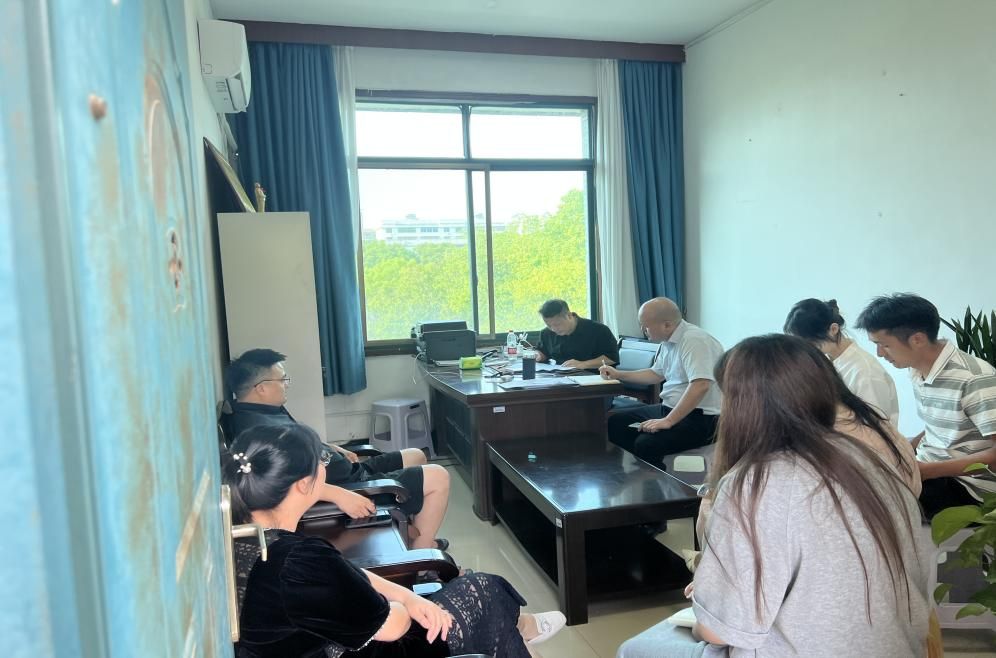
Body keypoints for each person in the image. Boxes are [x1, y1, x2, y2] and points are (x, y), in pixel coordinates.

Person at [617, 335, 930, 657]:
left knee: (635, 648)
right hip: (898, 647)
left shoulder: (756, 483)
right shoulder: (868, 456)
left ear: (741, 405)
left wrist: (708, 604)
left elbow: (716, 632)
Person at [225, 423, 566, 658]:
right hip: (362, 645)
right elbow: (393, 625)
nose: (324, 469)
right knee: (483, 593)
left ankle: (521, 630)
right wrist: (406, 606)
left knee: (485, 604)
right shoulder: (295, 560)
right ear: (303, 484)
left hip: (333, 638)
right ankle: (521, 628)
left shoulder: (252, 536)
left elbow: (339, 573)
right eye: (321, 461)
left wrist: (406, 594)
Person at [225, 348, 451, 550]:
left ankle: (411, 535)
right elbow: (286, 482)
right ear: (262, 388)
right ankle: (423, 553)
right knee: (439, 477)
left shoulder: (264, 410)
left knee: (416, 455)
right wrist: (338, 494)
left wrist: (331, 447)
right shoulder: (257, 429)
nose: (287, 384)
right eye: (282, 379)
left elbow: (299, 443)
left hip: (350, 471)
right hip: (351, 486)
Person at [856, 293, 996, 518]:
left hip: (970, 485)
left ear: (918, 339)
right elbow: (941, 427)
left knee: (871, 503)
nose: (880, 354)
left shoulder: (974, 379)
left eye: (884, 345)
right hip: (930, 465)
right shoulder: (917, 369)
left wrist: (925, 472)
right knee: (859, 474)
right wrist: (904, 448)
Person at [602, 298, 723, 465]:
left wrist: (668, 421)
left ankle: (653, 479)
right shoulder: (667, 341)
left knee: (647, 444)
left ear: (666, 325)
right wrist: (618, 374)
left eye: (645, 326)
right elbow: (655, 374)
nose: (642, 330)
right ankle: (639, 472)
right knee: (617, 423)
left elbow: (701, 385)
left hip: (701, 418)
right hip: (668, 408)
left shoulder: (695, 340)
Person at [784, 298, 900, 426]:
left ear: (833, 329)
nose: (806, 350)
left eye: (811, 343)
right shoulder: (826, 361)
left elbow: (875, 427)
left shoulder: (865, 371)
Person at [535, 299, 619, 369]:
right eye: (549, 325)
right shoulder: (546, 333)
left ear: (569, 315)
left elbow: (611, 358)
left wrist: (583, 364)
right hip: (560, 377)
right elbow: (543, 353)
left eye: (557, 324)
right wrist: (538, 356)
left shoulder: (599, 330)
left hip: (594, 378)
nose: (553, 329)